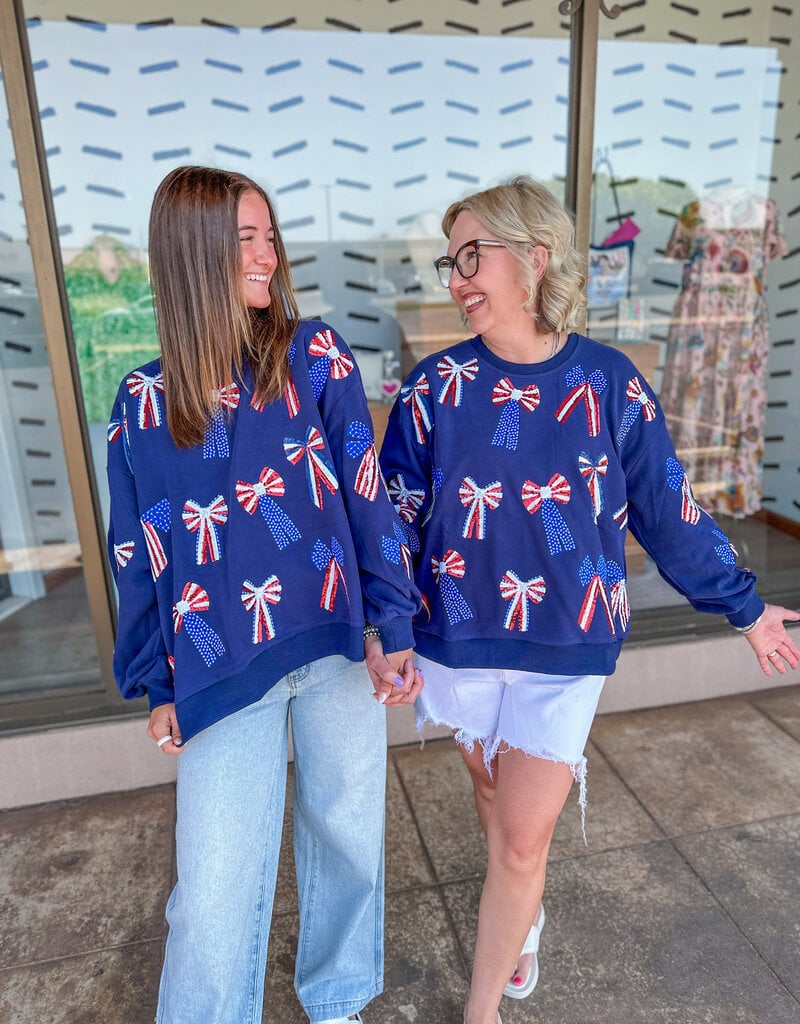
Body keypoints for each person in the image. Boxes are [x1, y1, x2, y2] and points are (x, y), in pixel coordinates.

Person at [378, 175, 800, 1024]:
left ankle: (481, 1009)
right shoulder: (435, 389)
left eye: (474, 256)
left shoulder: (609, 383)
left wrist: (745, 607)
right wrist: (386, 627)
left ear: (534, 258)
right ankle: (521, 915)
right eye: (449, 259)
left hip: (567, 643)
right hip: (454, 640)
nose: (457, 278)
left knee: (525, 837)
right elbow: (394, 520)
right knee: (493, 798)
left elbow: (667, 507)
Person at [106, 165, 423, 1024]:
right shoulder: (140, 402)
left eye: (269, 235)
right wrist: (156, 680)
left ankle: (340, 997)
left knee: (347, 839)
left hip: (334, 648)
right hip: (219, 666)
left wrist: (391, 619)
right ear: (191, 252)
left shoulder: (313, 355)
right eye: (244, 238)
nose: (266, 254)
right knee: (210, 890)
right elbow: (134, 553)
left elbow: (365, 491)